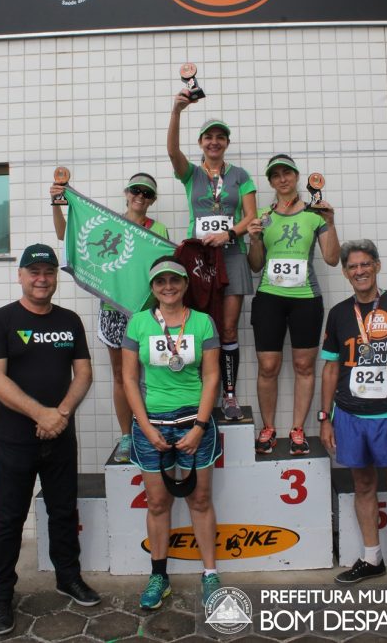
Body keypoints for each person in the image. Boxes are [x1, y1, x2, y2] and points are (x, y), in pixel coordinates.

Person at [0, 243, 100, 636]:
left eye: (48, 272)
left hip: (60, 438)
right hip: (15, 441)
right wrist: (41, 414)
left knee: (63, 511)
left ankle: (68, 577)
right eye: (34, 272)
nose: (42, 279)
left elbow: (83, 373)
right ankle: (1, 596)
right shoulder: (0, 321)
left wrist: (59, 415)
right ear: (20, 275)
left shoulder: (69, 321)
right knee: (9, 519)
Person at [320, 239, 387, 584]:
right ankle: (372, 559)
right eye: (352, 266)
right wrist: (325, 418)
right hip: (350, 416)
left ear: (377, 266)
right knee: (363, 485)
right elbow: (330, 369)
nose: (360, 271)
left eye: (365, 264)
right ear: (345, 272)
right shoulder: (339, 314)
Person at [122, 256, 221, 609]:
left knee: (200, 500)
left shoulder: (203, 322)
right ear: (152, 288)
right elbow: (129, 379)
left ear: (185, 284)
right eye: (160, 281)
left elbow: (212, 376)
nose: (168, 287)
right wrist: (146, 427)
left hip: (195, 422)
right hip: (153, 425)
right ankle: (159, 576)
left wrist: (199, 426)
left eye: (175, 280)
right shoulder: (137, 323)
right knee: (158, 502)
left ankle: (210, 574)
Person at [50, 172, 169, 463]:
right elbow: (66, 236)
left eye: (147, 193)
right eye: (136, 190)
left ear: (153, 200)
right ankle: (127, 435)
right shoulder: (108, 222)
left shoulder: (159, 230)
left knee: (153, 374)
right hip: (113, 311)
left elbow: (163, 270)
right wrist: (57, 204)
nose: (140, 196)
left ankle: (151, 430)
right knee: (121, 376)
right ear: (126, 193)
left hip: (146, 313)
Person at [167, 90, 257, 420]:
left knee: (229, 329)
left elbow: (251, 216)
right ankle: (199, 391)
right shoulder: (191, 173)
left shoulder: (240, 176)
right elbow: (172, 151)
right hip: (199, 260)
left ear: (227, 143)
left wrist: (229, 234)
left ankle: (229, 395)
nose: (214, 142)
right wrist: (177, 111)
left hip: (232, 255)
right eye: (209, 137)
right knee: (200, 326)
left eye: (220, 137)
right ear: (201, 143)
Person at [247, 154, 340, 455]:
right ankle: (268, 428)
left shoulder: (315, 214)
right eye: (276, 175)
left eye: (287, 173)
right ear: (271, 182)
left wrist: (331, 222)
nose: (282, 179)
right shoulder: (263, 216)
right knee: (268, 366)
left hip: (306, 300)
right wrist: (255, 240)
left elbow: (332, 258)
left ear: (297, 176)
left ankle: (298, 430)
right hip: (269, 297)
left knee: (303, 365)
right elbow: (255, 265)